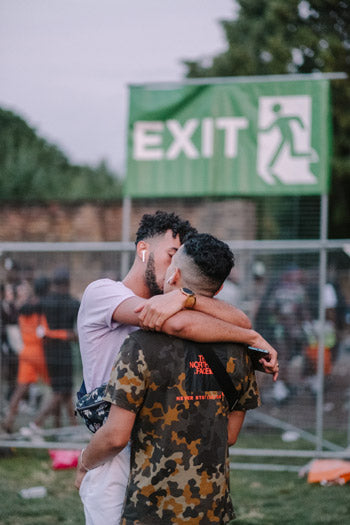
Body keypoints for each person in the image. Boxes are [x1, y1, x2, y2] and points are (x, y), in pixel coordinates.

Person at [76, 210, 278, 525]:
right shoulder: (103, 292)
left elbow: (240, 319)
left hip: (160, 448)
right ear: (143, 250)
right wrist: (249, 336)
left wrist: (187, 298)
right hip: (115, 451)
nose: (173, 267)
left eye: (178, 261)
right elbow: (183, 324)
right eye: (171, 254)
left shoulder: (178, 301)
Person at [2, 277, 71, 433]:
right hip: (39, 352)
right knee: (57, 389)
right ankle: (54, 425)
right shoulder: (41, 308)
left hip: (25, 351)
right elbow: (44, 330)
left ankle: (8, 421)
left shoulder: (23, 308)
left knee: (20, 390)